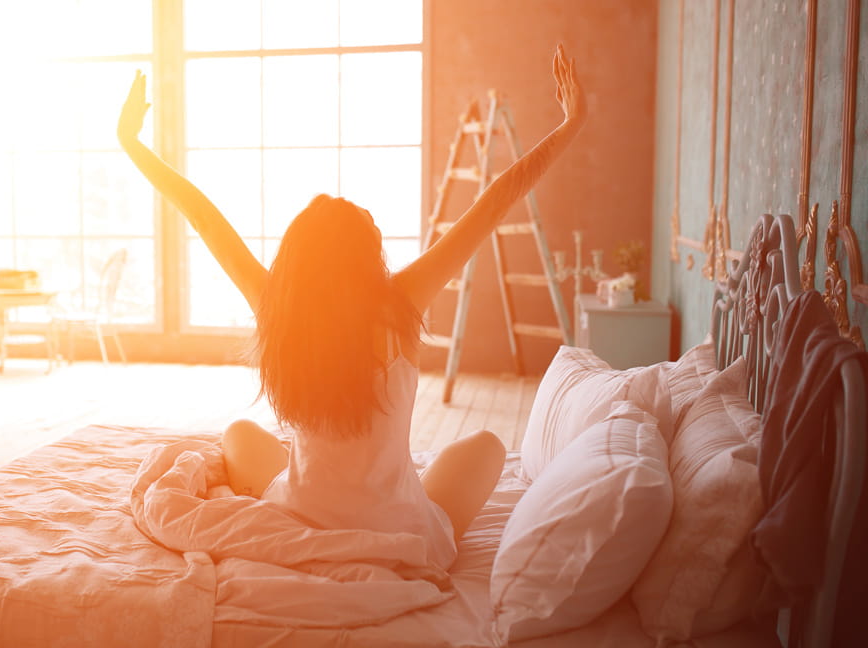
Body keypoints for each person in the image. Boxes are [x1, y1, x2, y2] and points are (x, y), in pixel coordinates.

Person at [117, 44, 586, 552]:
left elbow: (202, 216)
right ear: (366, 256)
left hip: (300, 518)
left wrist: (132, 143)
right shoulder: (402, 303)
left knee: (238, 435)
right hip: (400, 529)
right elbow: (497, 200)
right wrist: (572, 122)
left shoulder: (278, 306)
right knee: (489, 447)